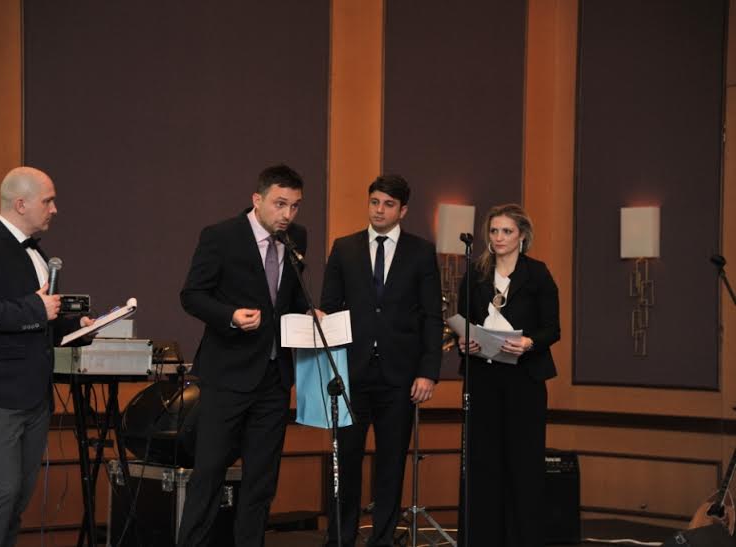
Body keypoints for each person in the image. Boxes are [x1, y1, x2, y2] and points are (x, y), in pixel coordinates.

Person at [0, 166, 93, 547]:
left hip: (33, 399)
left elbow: (42, 321)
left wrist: (78, 326)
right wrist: (34, 309)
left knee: (16, 500)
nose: (55, 209)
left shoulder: (38, 254)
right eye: (48, 201)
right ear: (21, 204)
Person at [178, 164, 311, 547]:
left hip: (274, 378)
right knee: (209, 474)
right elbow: (192, 295)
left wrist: (308, 312)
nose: (287, 214)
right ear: (257, 199)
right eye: (280, 204)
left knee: (261, 482)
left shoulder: (297, 237)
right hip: (227, 376)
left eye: (295, 206)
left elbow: (289, 298)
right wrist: (230, 316)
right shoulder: (221, 236)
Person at [320, 174, 443, 547]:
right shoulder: (344, 248)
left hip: (400, 377)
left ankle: (383, 539)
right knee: (346, 463)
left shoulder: (421, 252)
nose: (379, 210)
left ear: (402, 210)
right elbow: (329, 308)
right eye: (374, 202)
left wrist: (428, 372)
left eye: (388, 204)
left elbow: (431, 316)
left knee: (391, 465)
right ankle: (340, 539)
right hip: (350, 374)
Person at [456, 203, 560, 547]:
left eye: (507, 231)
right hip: (483, 380)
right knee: (483, 463)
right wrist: (464, 342)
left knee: (523, 463)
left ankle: (522, 538)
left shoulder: (538, 274)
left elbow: (552, 329)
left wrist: (529, 342)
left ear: (522, 236)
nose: (499, 237)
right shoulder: (476, 274)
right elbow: (461, 321)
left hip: (523, 380)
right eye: (494, 231)